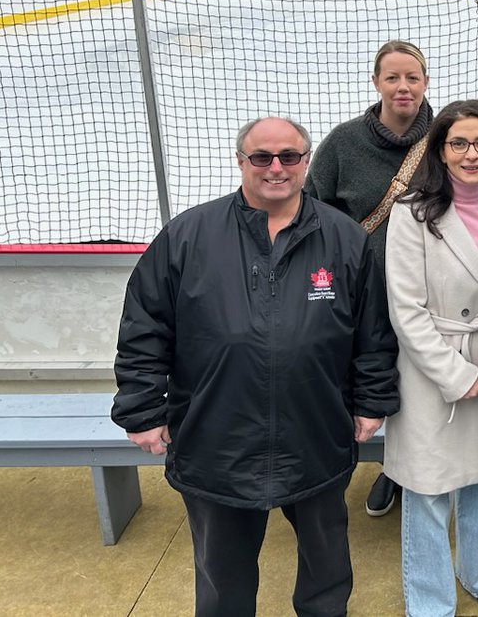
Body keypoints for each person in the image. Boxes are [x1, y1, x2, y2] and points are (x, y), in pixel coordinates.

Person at [112, 116, 399, 617]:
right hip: (217, 440)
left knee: (327, 572)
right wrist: (141, 409)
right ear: (240, 161)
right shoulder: (187, 236)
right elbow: (144, 326)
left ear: (307, 161)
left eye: (289, 156)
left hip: (316, 434)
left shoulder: (345, 239)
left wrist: (371, 401)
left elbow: (373, 333)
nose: (276, 168)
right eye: (261, 157)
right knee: (223, 582)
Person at [383, 100, 478, 617]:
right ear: (440, 150)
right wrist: (459, 375)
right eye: (458, 143)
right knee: (428, 490)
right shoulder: (411, 212)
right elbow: (406, 309)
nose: (471, 154)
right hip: (433, 372)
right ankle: (431, 601)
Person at [306, 39, 433, 519]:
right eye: (393, 77)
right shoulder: (342, 143)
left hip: (422, 294)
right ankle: (332, 469)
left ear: (425, 83)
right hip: (356, 295)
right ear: (377, 82)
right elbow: (315, 215)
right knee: (350, 385)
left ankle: (397, 472)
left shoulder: (443, 139)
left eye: (412, 77)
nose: (403, 87)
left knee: (414, 391)